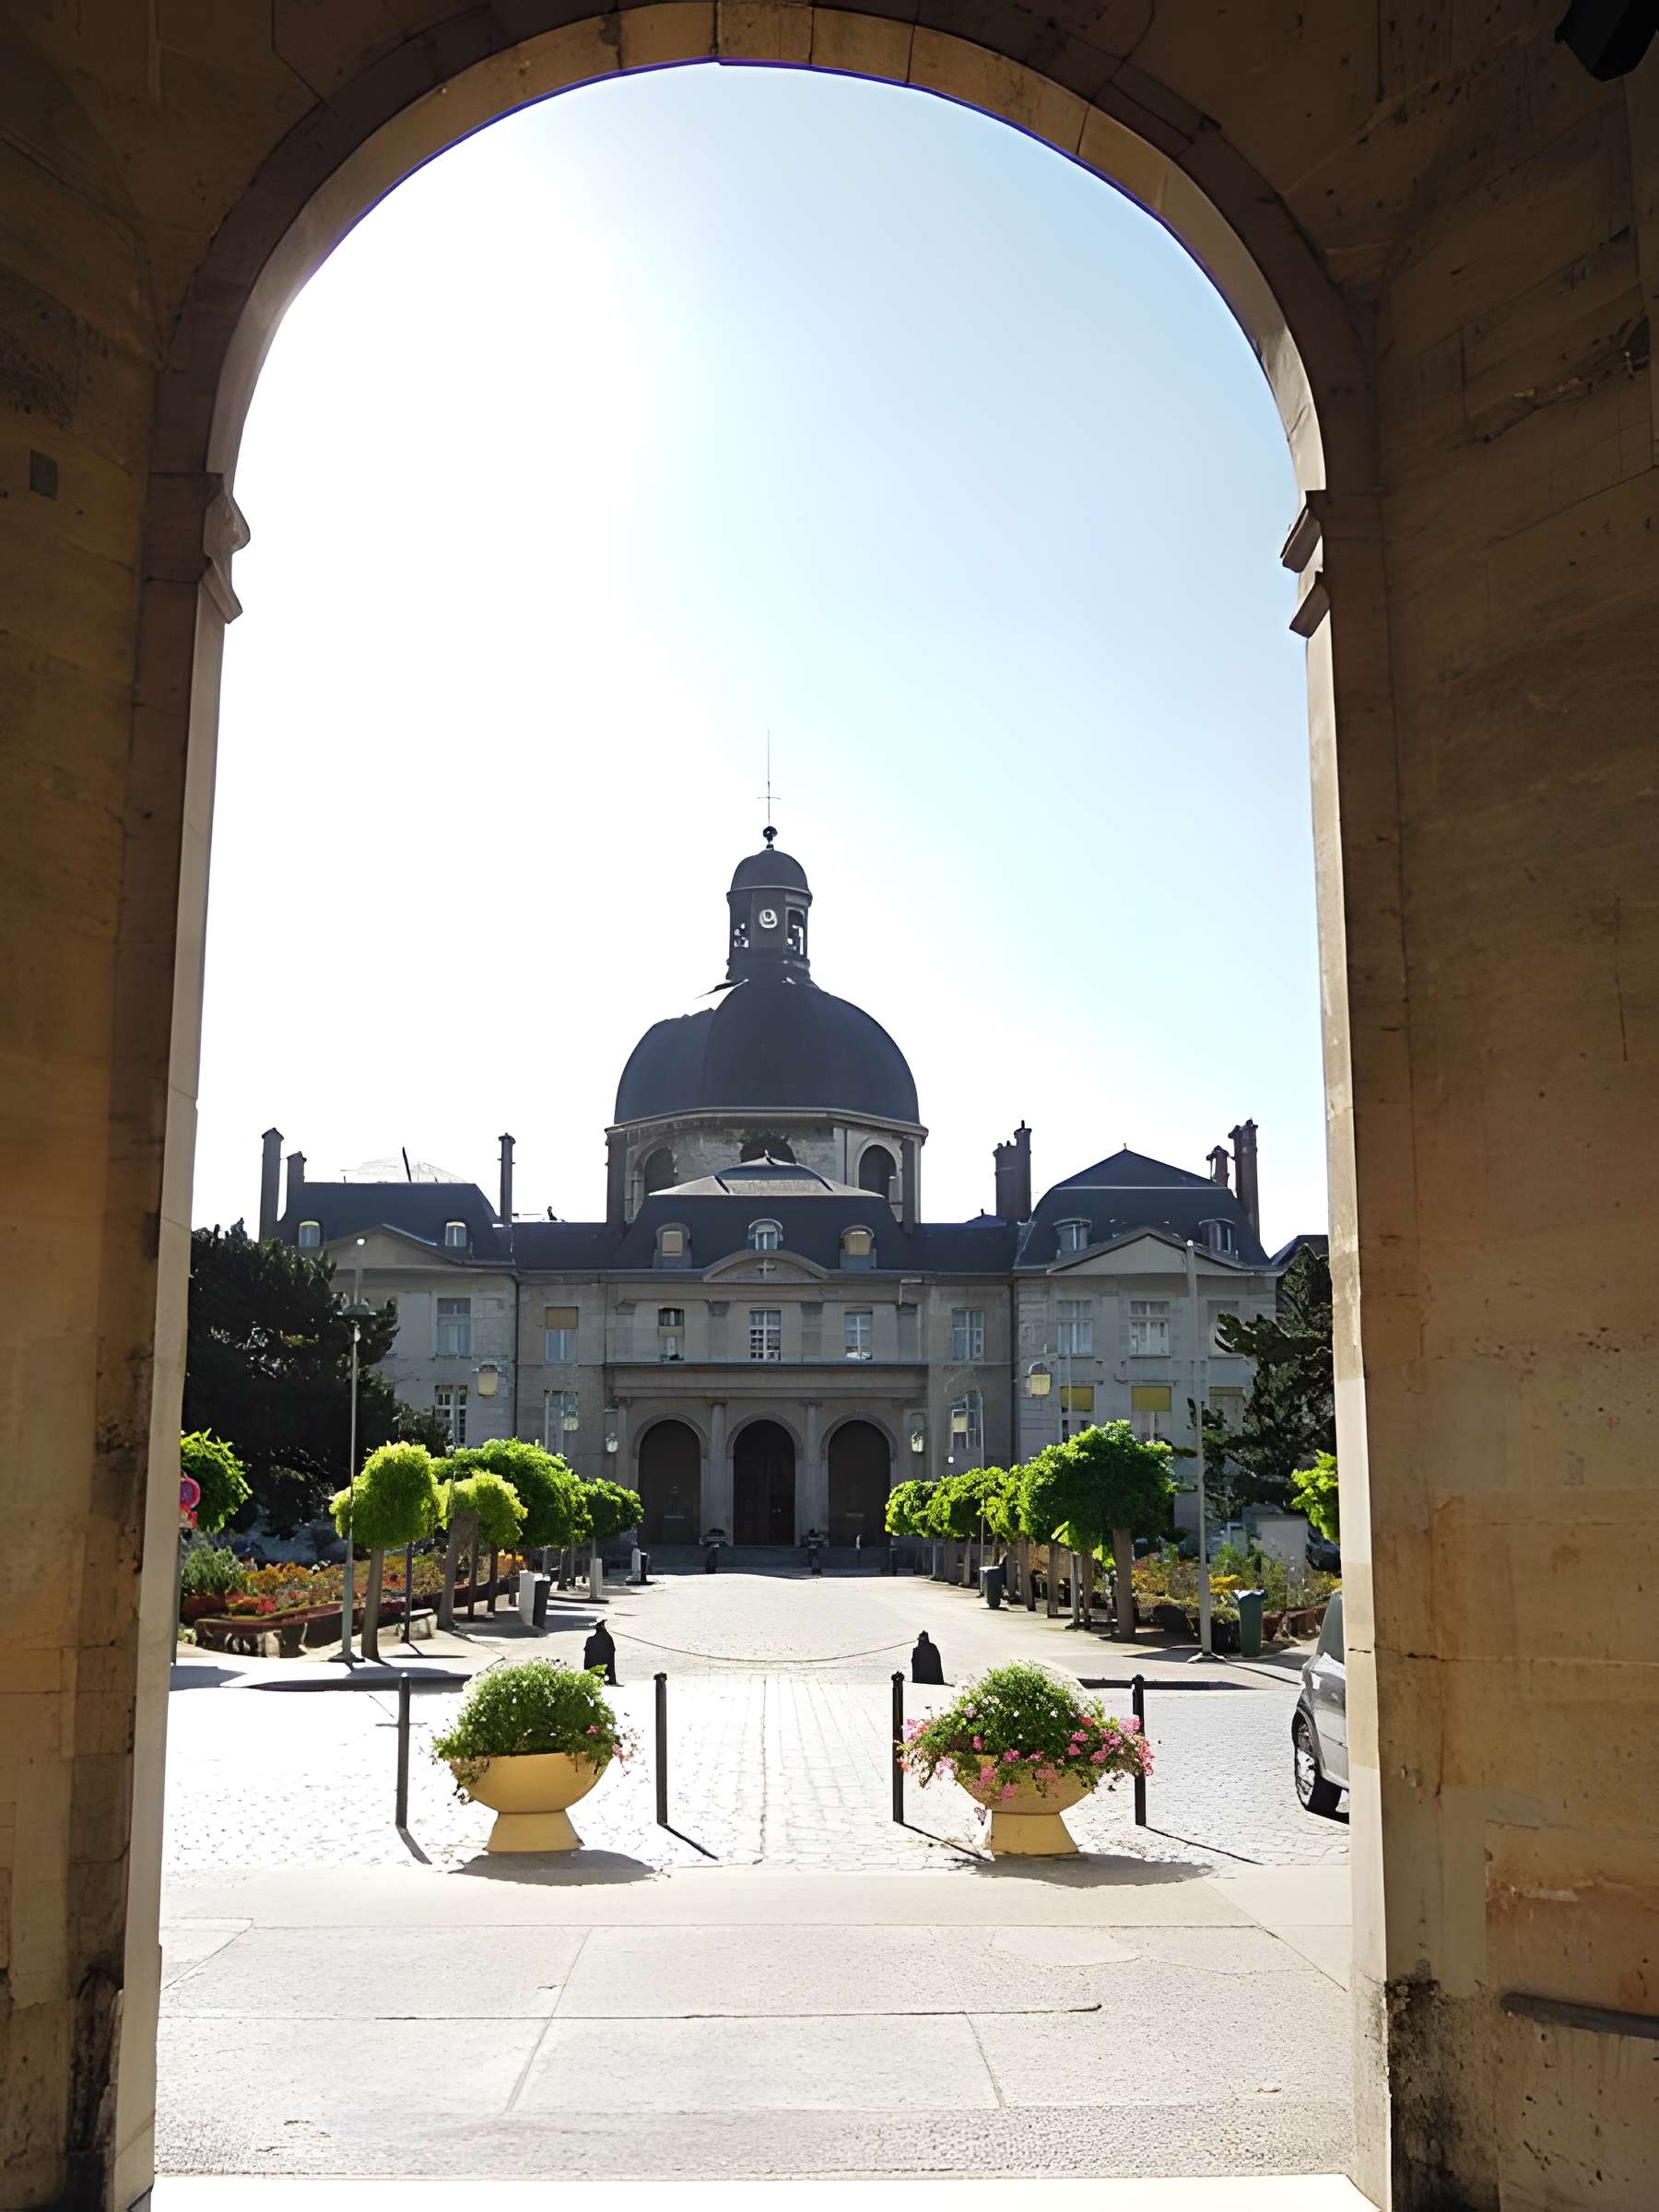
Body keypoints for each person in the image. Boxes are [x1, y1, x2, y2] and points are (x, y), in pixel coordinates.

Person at [582, 1620, 618, 1686]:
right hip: (606, 1668)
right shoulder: (608, 1638)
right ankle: (611, 1679)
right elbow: (613, 1650)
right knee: (610, 1656)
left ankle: (591, 1675)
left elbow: (586, 1653)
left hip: (592, 1667)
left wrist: (586, 1667)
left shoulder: (590, 1640)